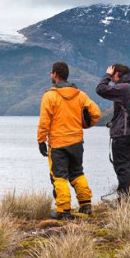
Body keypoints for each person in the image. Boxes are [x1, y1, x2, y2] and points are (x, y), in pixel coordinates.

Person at [37, 61, 102, 219]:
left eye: (51, 73)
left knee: (59, 177)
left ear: (55, 74)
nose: (50, 75)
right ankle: (86, 204)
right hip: (76, 142)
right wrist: (86, 125)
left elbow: (44, 121)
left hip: (58, 144)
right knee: (77, 173)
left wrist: (41, 141)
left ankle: (63, 210)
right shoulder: (80, 95)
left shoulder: (50, 96)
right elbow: (96, 113)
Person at [96, 63, 130, 198]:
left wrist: (107, 75)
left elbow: (100, 89)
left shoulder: (124, 87)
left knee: (122, 168)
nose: (112, 78)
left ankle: (124, 201)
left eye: (113, 74)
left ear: (117, 74)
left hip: (122, 134)